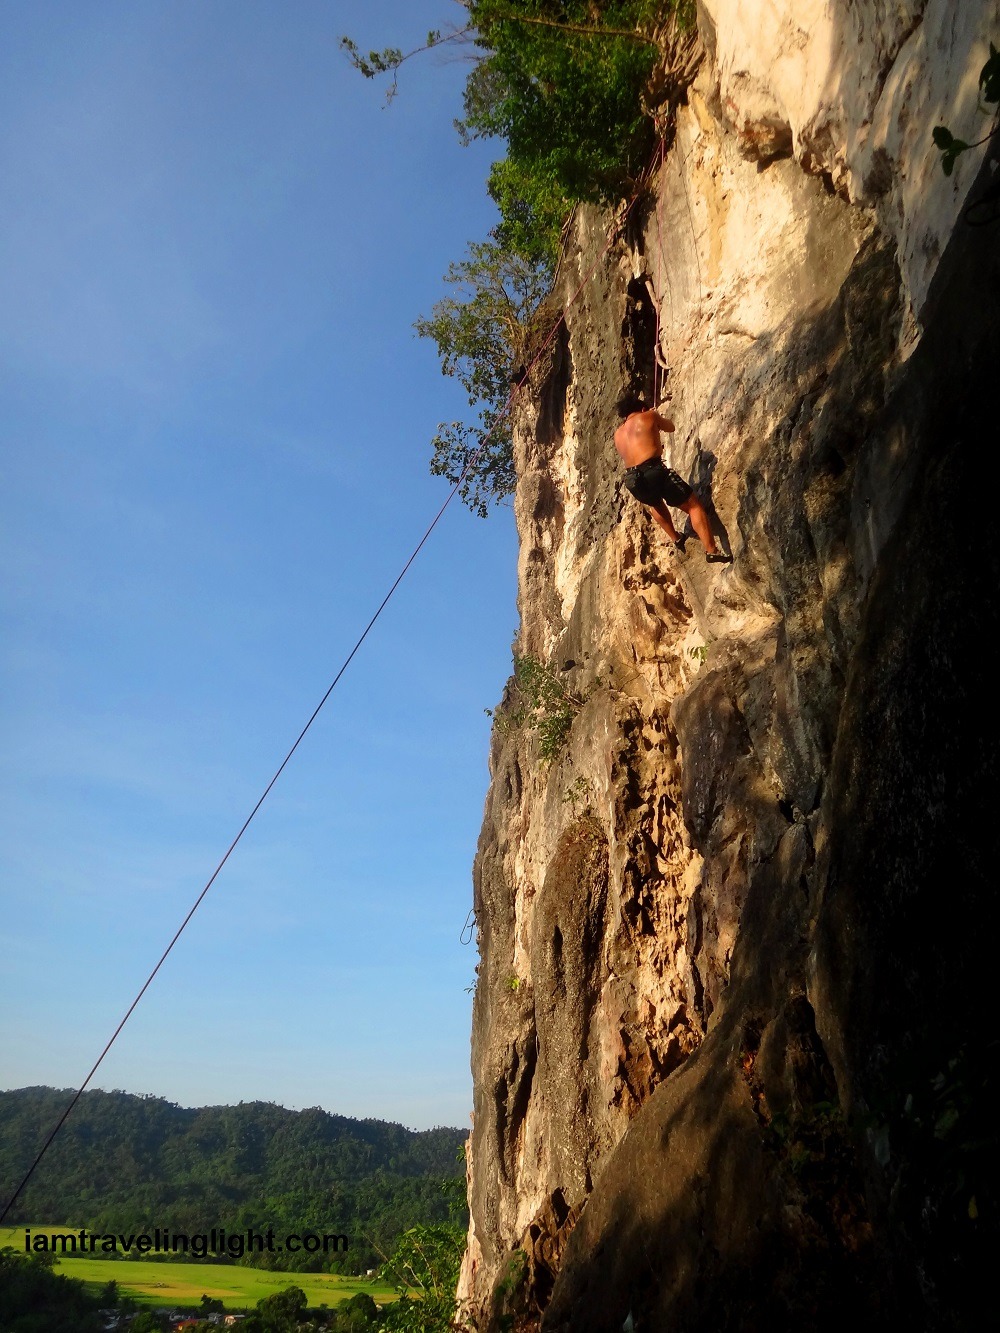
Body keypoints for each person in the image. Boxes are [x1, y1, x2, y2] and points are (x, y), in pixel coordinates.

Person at [614, 392, 723, 558]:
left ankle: (676, 538)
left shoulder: (618, 434)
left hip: (632, 479)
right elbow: (670, 427)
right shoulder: (648, 415)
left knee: (655, 504)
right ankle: (712, 551)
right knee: (693, 505)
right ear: (642, 408)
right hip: (652, 470)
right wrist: (655, 416)